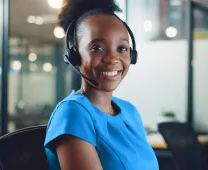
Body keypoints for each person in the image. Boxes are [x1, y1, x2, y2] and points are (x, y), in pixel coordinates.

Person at [43, 0, 159, 170]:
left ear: (132, 55)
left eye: (122, 48)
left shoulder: (130, 112)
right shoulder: (73, 114)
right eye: (97, 48)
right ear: (75, 56)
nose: (112, 59)